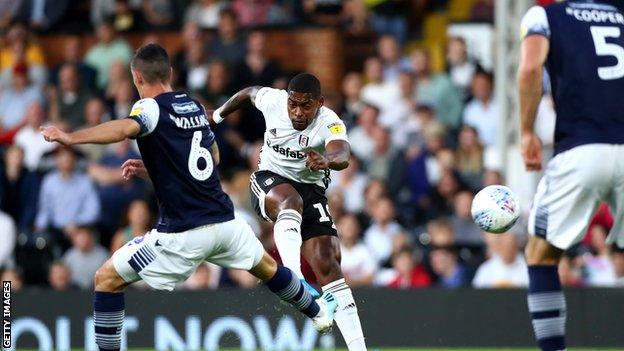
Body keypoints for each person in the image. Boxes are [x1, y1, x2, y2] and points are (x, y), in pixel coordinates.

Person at [41, 43, 336, 351]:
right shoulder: (193, 106)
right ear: (170, 72)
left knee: (106, 279)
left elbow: (125, 128)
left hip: (182, 234)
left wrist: (70, 137)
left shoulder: (148, 108)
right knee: (267, 268)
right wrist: (156, 168)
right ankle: (318, 312)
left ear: (136, 77)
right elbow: (213, 157)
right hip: (226, 224)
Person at [212, 73, 367, 351]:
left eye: (305, 106)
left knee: (328, 264)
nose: (297, 112)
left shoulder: (330, 122)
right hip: (268, 181)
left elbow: (342, 153)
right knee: (290, 201)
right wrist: (218, 115)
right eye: (293, 105)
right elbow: (248, 92)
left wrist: (327, 160)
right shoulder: (274, 101)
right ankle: (295, 281)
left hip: (312, 192)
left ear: (319, 103)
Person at [519, 1, 624, 350]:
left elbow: (531, 68)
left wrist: (526, 131)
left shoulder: (545, 14)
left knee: (540, 254)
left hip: (581, 149)